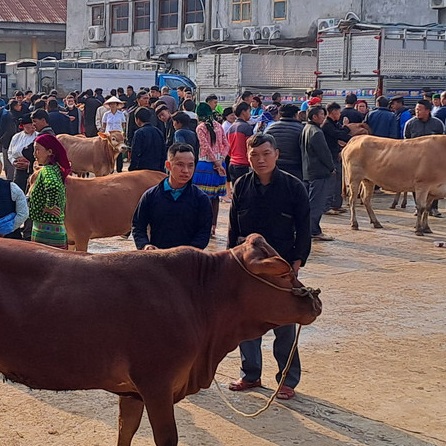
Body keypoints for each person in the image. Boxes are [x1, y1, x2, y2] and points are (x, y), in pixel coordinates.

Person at [228, 133, 311, 400]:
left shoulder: (293, 187)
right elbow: (233, 229)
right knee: (247, 324)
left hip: (281, 268)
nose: (260, 160)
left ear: (276, 154)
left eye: (265, 154)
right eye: (254, 155)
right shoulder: (241, 185)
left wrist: (296, 263)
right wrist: (231, 261)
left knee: (283, 325)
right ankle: (250, 374)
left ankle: (287, 380)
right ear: (247, 157)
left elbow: (304, 228)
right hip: (247, 268)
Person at [131, 144, 212, 250]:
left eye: (190, 165)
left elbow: (204, 231)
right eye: (180, 165)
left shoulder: (201, 199)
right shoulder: (150, 196)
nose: (186, 171)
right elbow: (138, 226)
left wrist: (191, 251)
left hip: (188, 261)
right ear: (168, 165)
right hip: (158, 259)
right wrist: (145, 245)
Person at [28, 133, 70, 247]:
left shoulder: (47, 171)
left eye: (37, 150)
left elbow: (53, 186)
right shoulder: (56, 169)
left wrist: (49, 206)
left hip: (45, 233)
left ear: (49, 152)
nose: (34, 154)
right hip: (56, 229)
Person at [300, 105, 335, 241]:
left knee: (310, 203)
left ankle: (308, 229)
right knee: (316, 204)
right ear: (314, 117)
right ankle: (314, 230)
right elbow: (324, 154)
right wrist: (331, 167)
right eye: (322, 115)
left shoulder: (306, 129)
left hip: (308, 171)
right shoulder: (316, 132)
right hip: (319, 172)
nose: (324, 117)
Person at [321, 102, 351, 214]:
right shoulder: (327, 125)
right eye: (338, 112)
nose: (340, 114)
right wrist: (347, 128)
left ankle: (336, 205)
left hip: (336, 155)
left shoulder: (334, 123)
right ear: (333, 112)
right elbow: (339, 135)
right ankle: (327, 206)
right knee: (331, 182)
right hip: (330, 157)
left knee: (338, 181)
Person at [265, 103, 305, 181]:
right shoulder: (301, 129)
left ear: (280, 114)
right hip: (295, 166)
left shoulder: (270, 128)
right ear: (296, 115)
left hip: (275, 165)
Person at [225, 102, 256, 181]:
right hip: (244, 165)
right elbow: (250, 147)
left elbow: (227, 148)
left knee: (236, 190)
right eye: (249, 111)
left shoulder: (230, 128)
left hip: (232, 163)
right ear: (243, 112)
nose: (250, 114)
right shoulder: (247, 128)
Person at [128, 107, 165, 172]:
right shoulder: (158, 132)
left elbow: (135, 153)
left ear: (137, 119)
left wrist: (132, 169)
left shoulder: (139, 133)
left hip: (143, 169)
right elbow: (163, 152)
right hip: (157, 169)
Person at [8, 113, 38, 192]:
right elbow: (10, 152)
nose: (32, 126)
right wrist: (14, 162)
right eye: (30, 124)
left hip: (33, 169)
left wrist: (29, 164)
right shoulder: (16, 137)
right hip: (19, 169)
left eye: (33, 123)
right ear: (24, 125)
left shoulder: (37, 136)